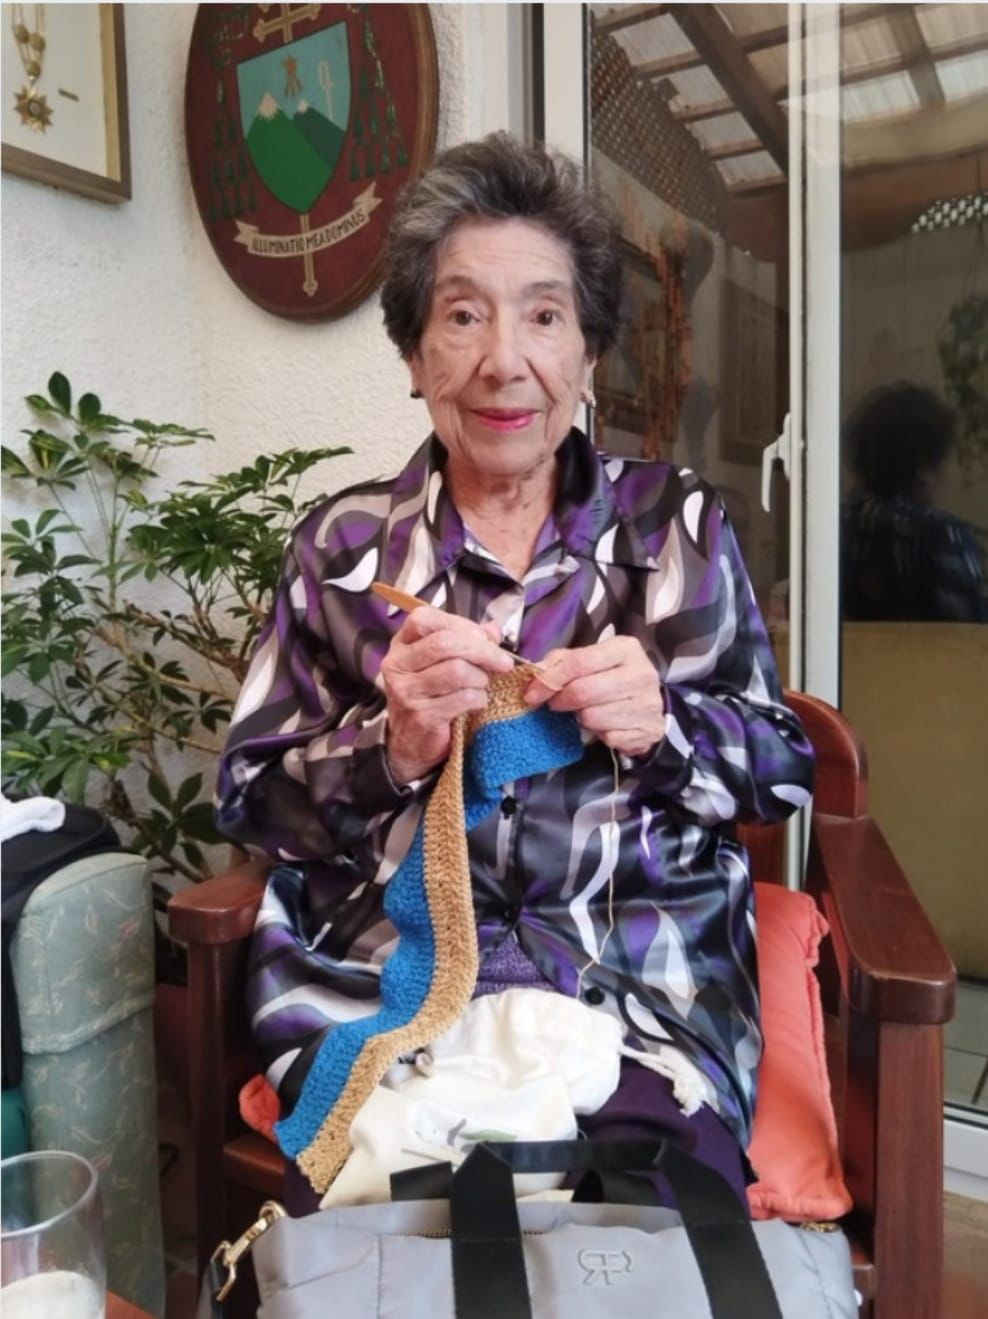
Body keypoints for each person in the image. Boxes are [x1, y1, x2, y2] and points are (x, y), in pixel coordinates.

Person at [215, 133, 815, 1215]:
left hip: (636, 989)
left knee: (654, 1243)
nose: (503, 360)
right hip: (384, 991)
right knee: (384, 1257)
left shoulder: (674, 526)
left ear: (587, 356)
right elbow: (250, 800)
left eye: (543, 316)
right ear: (414, 357)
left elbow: (779, 767)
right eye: (461, 315)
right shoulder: (342, 550)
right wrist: (392, 744)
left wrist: (663, 724)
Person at [841, 382, 987, 623]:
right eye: (944, 462)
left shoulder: (837, 526)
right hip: (936, 649)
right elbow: (974, 629)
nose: (946, 476)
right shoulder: (942, 534)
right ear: (923, 469)